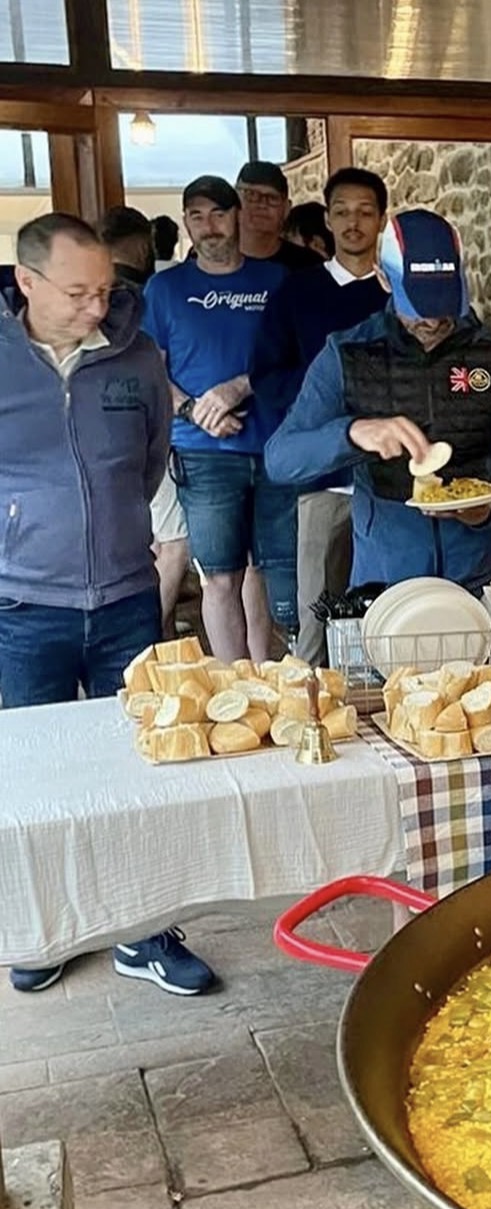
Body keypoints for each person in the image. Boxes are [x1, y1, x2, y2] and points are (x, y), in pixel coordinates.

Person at [0, 211, 216, 995]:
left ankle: (146, 930)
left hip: (125, 593)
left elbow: (154, 455)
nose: (98, 307)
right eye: (78, 293)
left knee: (140, 769)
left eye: (106, 290)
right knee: (38, 780)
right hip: (23, 605)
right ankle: (46, 929)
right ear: (26, 281)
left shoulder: (138, 354)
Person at [265, 207, 491, 595]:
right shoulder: (346, 353)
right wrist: (353, 433)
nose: (431, 321)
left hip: (477, 580)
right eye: (418, 308)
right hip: (384, 582)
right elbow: (280, 459)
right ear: (383, 278)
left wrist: (489, 509)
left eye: (443, 306)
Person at [141, 174, 295, 662]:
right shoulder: (164, 288)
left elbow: (295, 358)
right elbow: (152, 367)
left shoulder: (276, 281)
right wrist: (195, 410)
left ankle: (267, 673)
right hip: (203, 451)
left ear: (237, 217)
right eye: (196, 215)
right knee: (221, 574)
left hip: (274, 446)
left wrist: (239, 387)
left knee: (267, 569)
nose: (208, 226)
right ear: (186, 222)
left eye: (218, 214)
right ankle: (235, 682)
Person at [252, 168, 389, 663]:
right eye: (343, 211)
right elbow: (267, 375)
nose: (353, 222)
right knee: (317, 620)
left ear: (381, 220)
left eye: (365, 212)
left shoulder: (399, 293)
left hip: (396, 484)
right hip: (324, 481)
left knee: (394, 616)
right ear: (327, 219)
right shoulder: (297, 292)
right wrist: (326, 407)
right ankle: (310, 718)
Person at [98, 205, 192, 630]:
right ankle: (145, 635)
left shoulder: (87, 298)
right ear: (142, 245)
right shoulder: (143, 294)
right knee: (173, 541)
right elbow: (158, 369)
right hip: (146, 433)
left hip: (98, 443)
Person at [236, 161, 322, 273]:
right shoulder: (211, 262)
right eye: (251, 195)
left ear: (286, 208)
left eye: (272, 198)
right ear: (234, 201)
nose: (262, 204)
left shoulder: (311, 267)